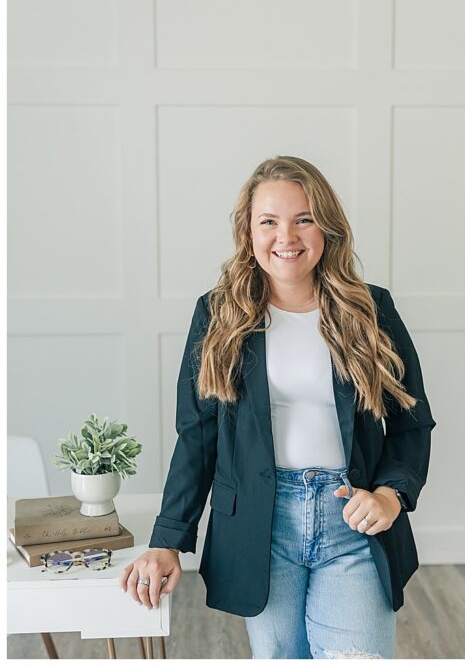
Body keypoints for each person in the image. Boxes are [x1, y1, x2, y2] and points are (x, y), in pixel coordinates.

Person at [119, 156, 435, 658]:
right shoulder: (218, 314)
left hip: (350, 518)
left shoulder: (371, 310)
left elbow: (410, 422)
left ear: (326, 228)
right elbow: (198, 436)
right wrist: (167, 539)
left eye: (303, 218)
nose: (286, 236)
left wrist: (392, 495)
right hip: (259, 526)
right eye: (269, 221)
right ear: (248, 232)